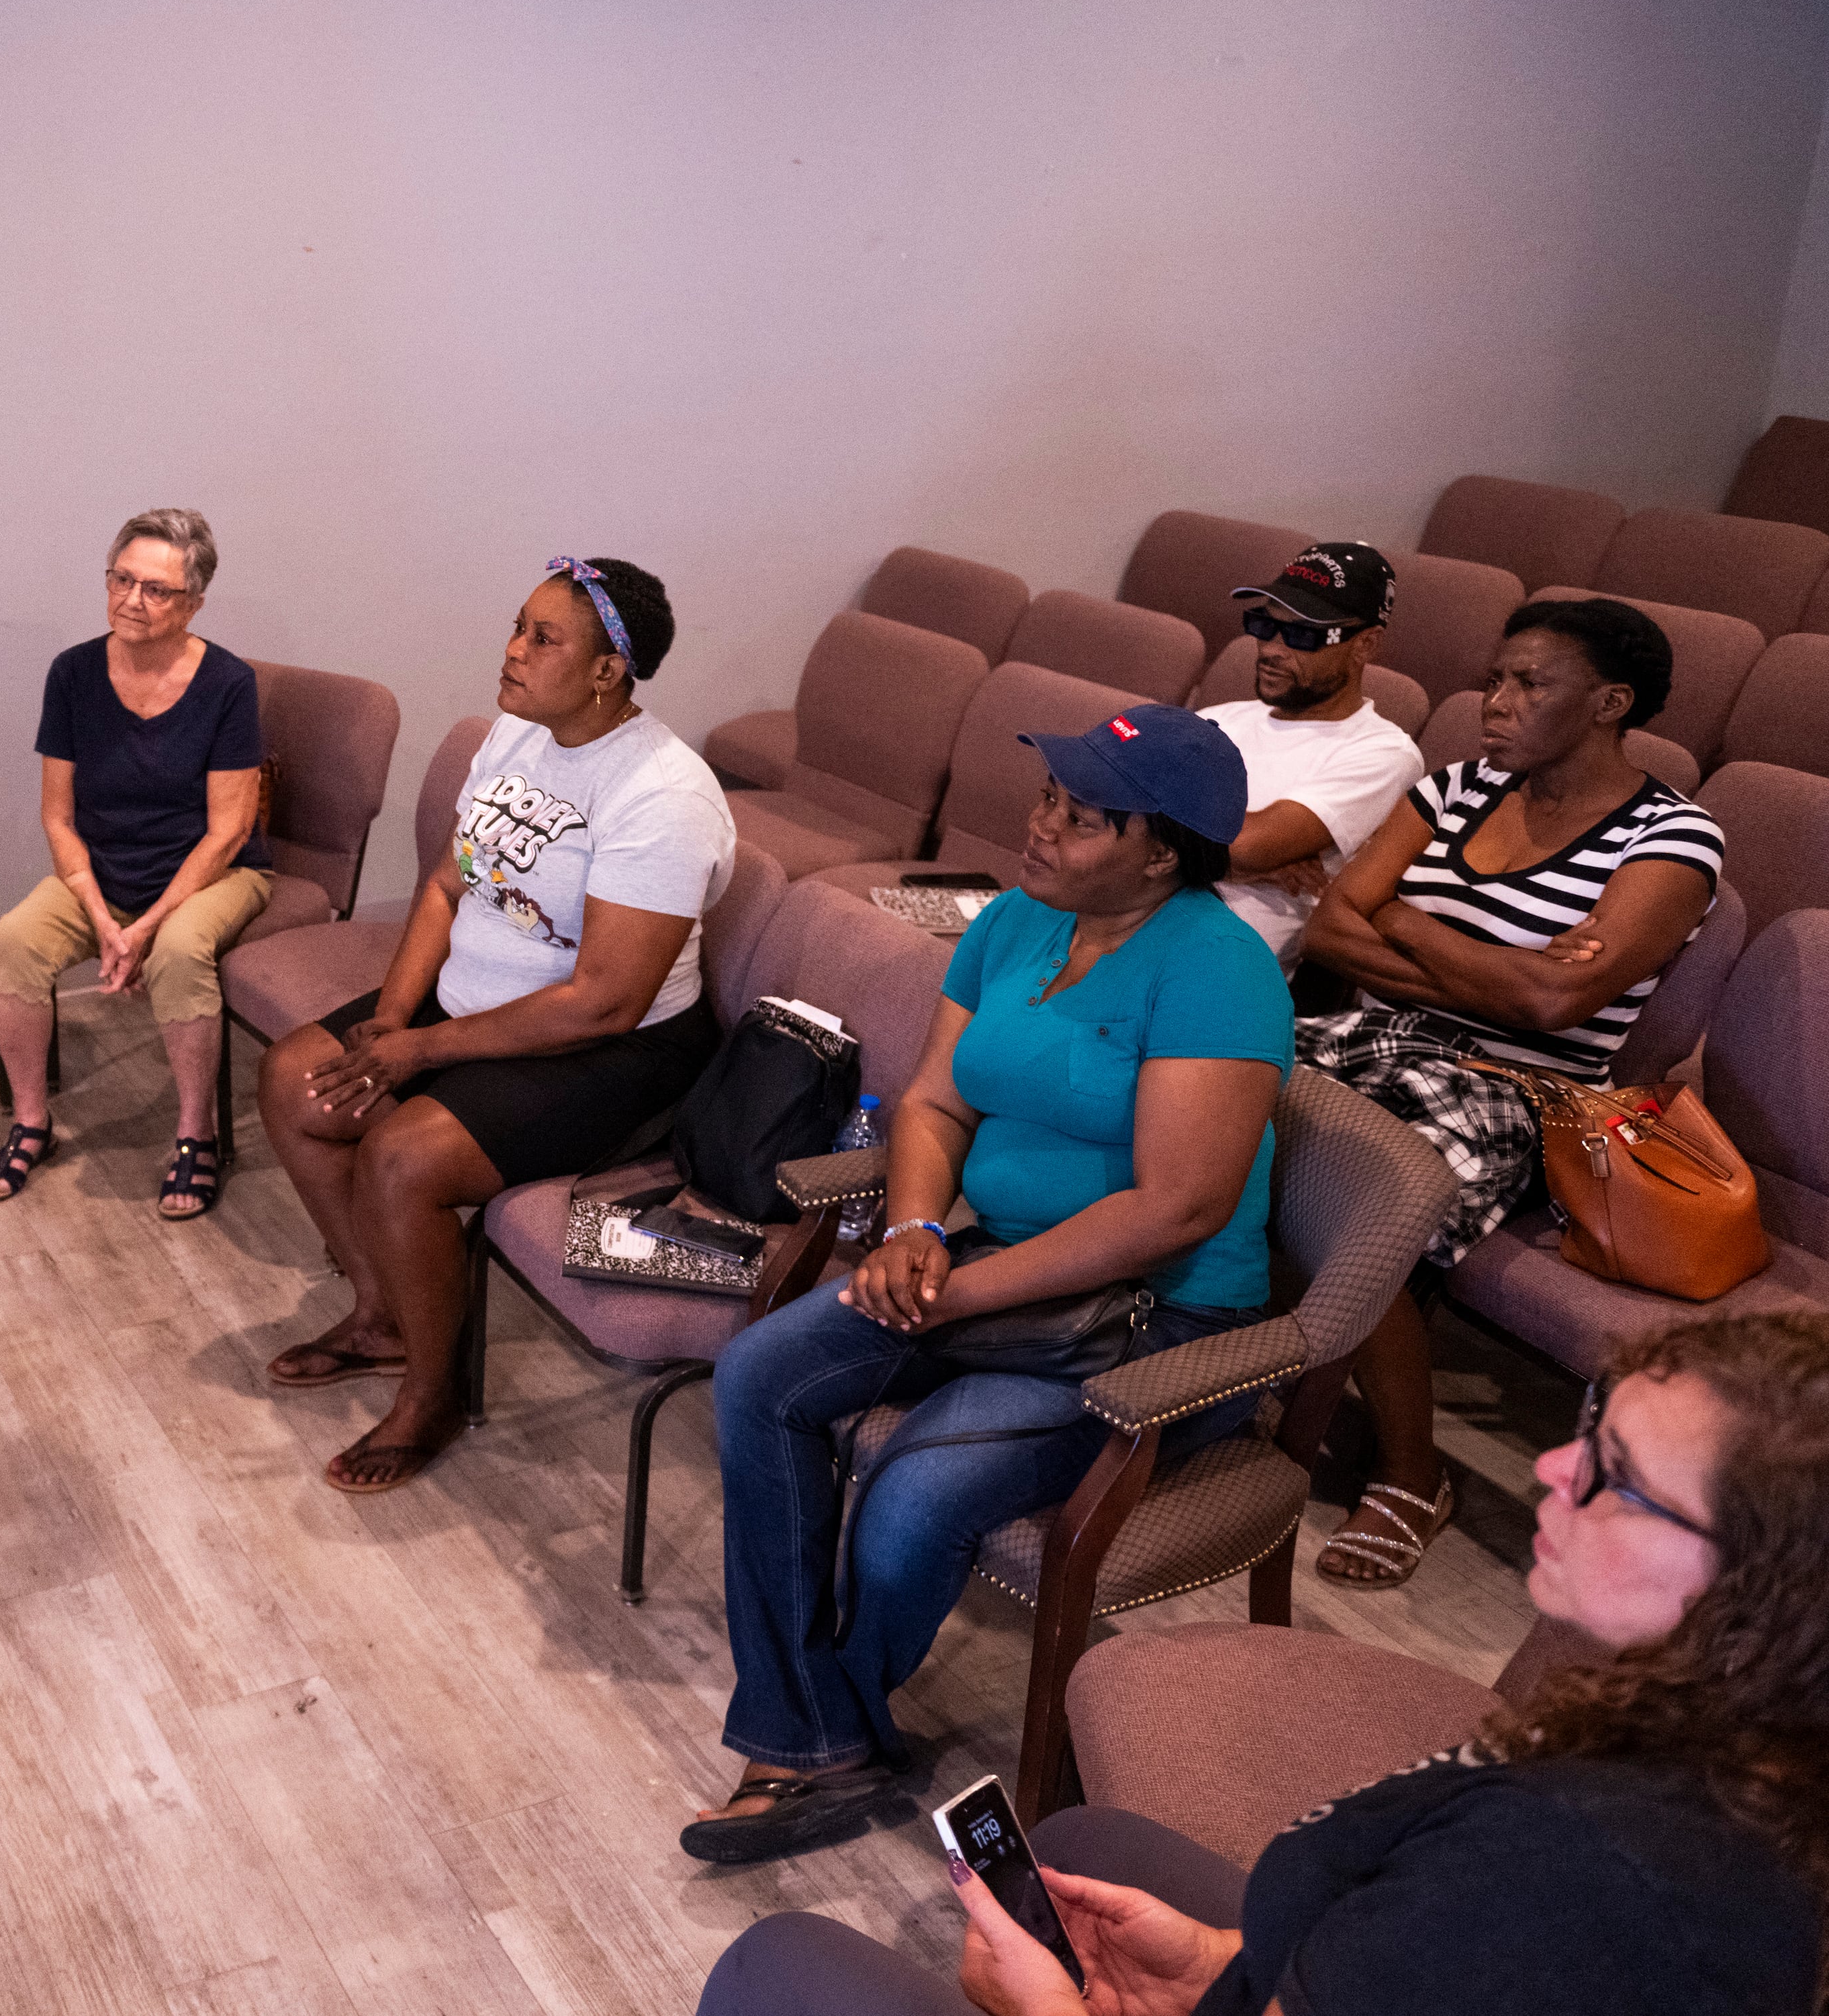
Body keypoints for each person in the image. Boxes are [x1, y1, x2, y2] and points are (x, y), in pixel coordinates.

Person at [692, 1310, 1829, 2016]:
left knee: (777, 1964)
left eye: (1615, 1475)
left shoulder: (1572, 1879)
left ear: (1765, 1583)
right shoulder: (1717, 1739)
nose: (1550, 1463)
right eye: (1589, 1422)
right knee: (1085, 1843)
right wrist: (1221, 1966)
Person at [685, 706, 1293, 1865]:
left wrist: (961, 1293)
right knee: (765, 1369)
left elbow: (1180, 1208)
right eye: (1048, 797)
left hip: (1159, 1324)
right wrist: (916, 1226)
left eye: (1079, 813)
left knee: (917, 1487)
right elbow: (935, 1099)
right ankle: (822, 1727)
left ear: (1160, 851)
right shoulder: (1017, 920)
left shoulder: (1221, 969)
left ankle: (820, 1733)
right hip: (1002, 1269)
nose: (1042, 824)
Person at [261, 558, 733, 1492]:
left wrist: (420, 1049)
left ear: (608, 671)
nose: (513, 651)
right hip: (470, 999)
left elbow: (605, 998)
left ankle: (434, 1395)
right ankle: (383, 1315)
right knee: (294, 1079)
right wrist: (394, 1012)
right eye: (518, 627)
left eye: (542, 638)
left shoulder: (663, 795)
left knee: (404, 1156)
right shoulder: (516, 735)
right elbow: (448, 882)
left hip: (610, 1049)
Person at [1292, 597, 1722, 1588]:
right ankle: (1219, 1376)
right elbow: (1328, 932)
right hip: (1380, 1037)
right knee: (1194, 1094)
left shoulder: (1673, 837)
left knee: (1371, 1203)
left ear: (1611, 702)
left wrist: (1406, 920)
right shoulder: (1455, 789)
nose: (1496, 701)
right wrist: (1504, 971)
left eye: (1531, 682)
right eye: (1496, 678)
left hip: (1524, 1090)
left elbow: (1559, 1006)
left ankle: (1411, 1476)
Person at [0, 509, 274, 1219]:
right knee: (14, 941)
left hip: (215, 874)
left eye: (156, 589)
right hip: (101, 872)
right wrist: (102, 915)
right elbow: (57, 815)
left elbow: (229, 832)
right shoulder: (73, 673)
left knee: (175, 950)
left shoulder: (228, 683)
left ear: (193, 603)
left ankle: (196, 1136)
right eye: (122, 580)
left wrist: (143, 930)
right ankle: (30, 1122)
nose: (132, 600)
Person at [1196, 541, 1427, 972]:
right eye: (1263, 624)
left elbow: (1248, 844)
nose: (1271, 649)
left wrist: (1177, 836)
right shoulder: (1216, 720)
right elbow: (1109, 820)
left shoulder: (1384, 753)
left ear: (1366, 645)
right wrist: (1233, 869)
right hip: (1120, 929)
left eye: (1303, 634)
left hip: (1219, 972)